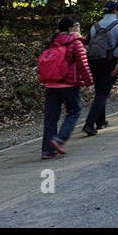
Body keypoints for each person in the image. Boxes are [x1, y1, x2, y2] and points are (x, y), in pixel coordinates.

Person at [38, 16, 93, 159]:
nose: (79, 26)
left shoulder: (54, 40)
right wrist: (88, 83)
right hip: (68, 84)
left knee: (51, 118)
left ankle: (47, 150)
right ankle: (60, 139)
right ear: (71, 27)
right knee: (74, 111)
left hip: (51, 84)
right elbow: (83, 65)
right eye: (77, 24)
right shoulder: (76, 42)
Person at [82, 0, 118, 136]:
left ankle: (101, 121)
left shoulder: (94, 26)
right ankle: (89, 124)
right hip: (110, 60)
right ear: (114, 11)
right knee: (103, 93)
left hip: (94, 60)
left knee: (99, 90)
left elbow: (87, 45)